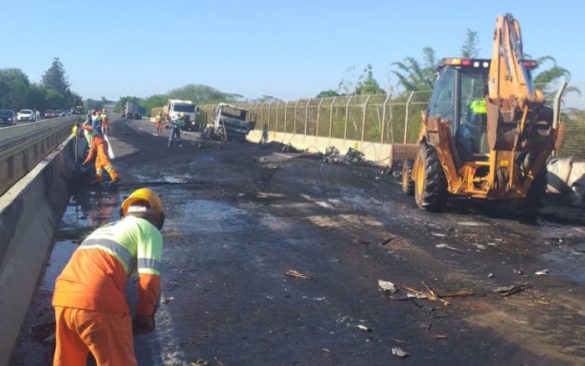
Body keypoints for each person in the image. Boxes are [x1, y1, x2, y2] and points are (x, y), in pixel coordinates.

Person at [52, 188, 165, 366]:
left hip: (63, 297)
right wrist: (145, 313)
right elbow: (149, 279)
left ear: (124, 212)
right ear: (158, 218)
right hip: (98, 300)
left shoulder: (106, 229)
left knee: (68, 362)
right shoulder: (148, 230)